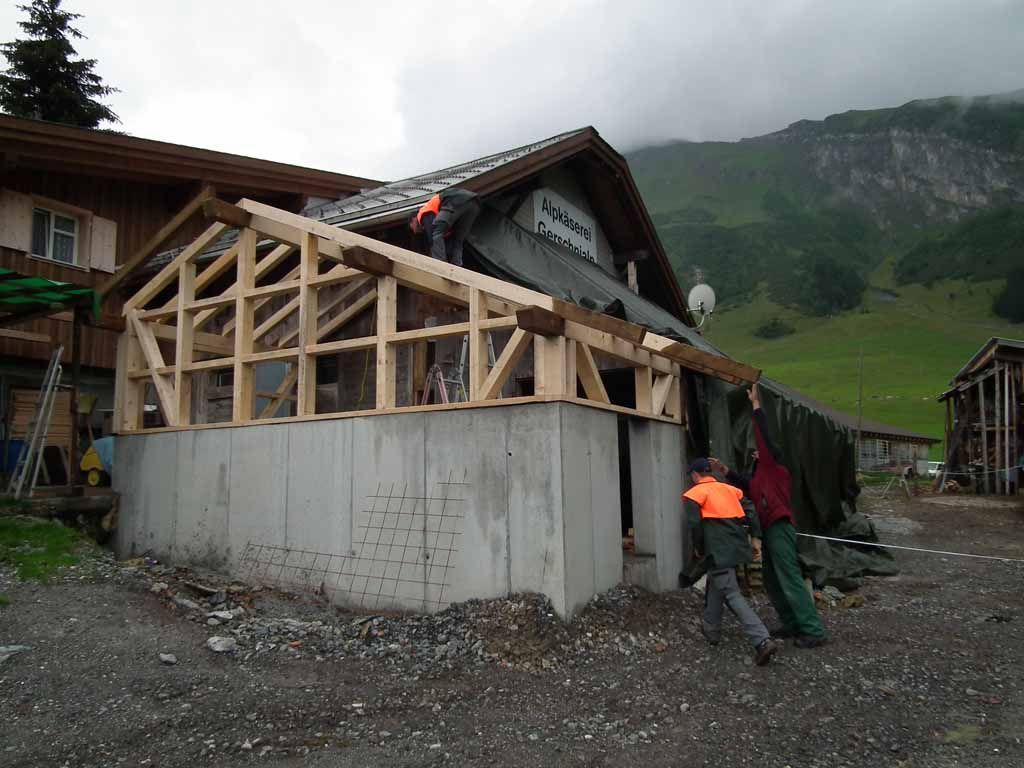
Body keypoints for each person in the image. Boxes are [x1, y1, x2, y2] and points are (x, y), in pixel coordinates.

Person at [710, 382, 828, 649]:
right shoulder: (761, 478)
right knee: (772, 580)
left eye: (759, 452)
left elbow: (764, 437)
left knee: (789, 576)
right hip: (769, 530)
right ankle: (792, 623)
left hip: (779, 527)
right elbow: (747, 486)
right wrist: (725, 471)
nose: (755, 453)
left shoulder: (775, 470)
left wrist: (756, 406)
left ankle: (813, 630)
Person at [683, 457, 778, 666]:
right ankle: (711, 630)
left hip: (717, 550)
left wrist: (698, 549)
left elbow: (695, 525)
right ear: (710, 473)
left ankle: (762, 640)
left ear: (695, 475)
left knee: (732, 593)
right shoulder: (731, 490)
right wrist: (756, 537)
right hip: (737, 547)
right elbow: (751, 510)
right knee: (718, 583)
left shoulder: (694, 494)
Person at [409, 188, 481, 267]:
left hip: (455, 201)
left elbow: (433, 236)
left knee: (436, 234)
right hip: (474, 203)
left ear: (413, 219)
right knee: (457, 240)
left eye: (412, 228)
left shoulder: (423, 213)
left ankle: (441, 265)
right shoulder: (434, 214)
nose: (414, 231)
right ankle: (457, 266)